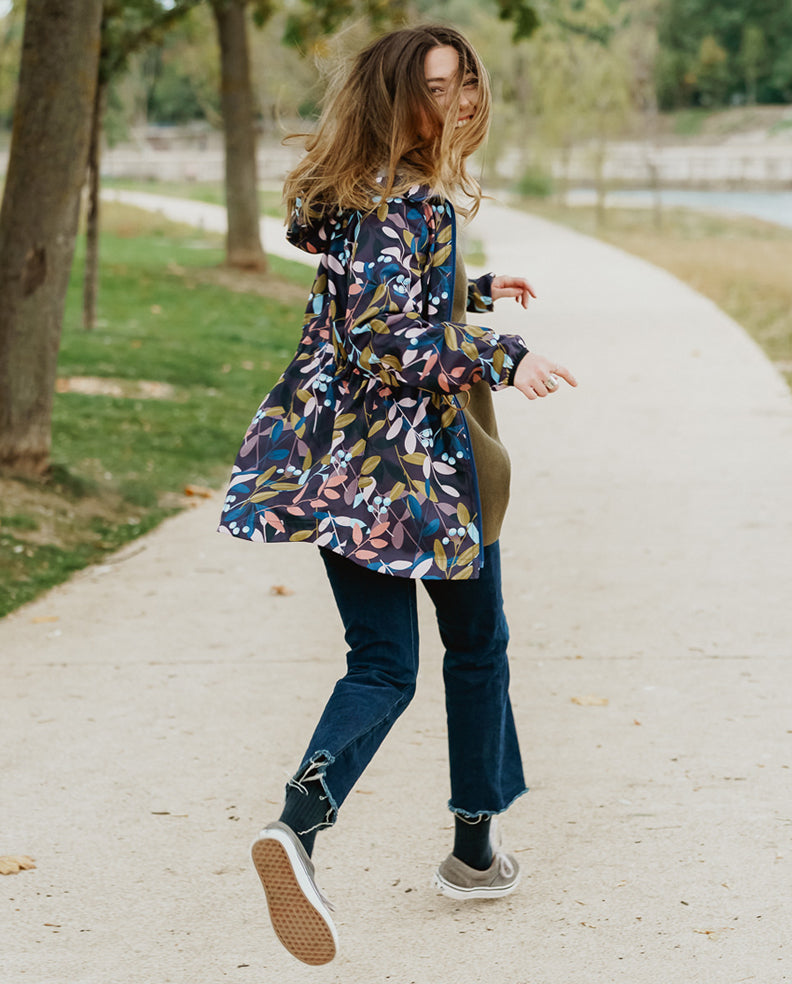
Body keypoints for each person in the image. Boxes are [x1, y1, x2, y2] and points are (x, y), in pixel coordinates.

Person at [218, 23, 576, 966]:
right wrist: (504, 355)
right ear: (396, 99)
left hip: (343, 472)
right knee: (472, 647)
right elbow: (384, 339)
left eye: (463, 83)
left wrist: (475, 289)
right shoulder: (405, 201)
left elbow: (379, 301)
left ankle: (302, 827)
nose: (458, 101)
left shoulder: (357, 195)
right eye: (435, 87)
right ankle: (470, 848)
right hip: (419, 477)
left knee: (383, 663)